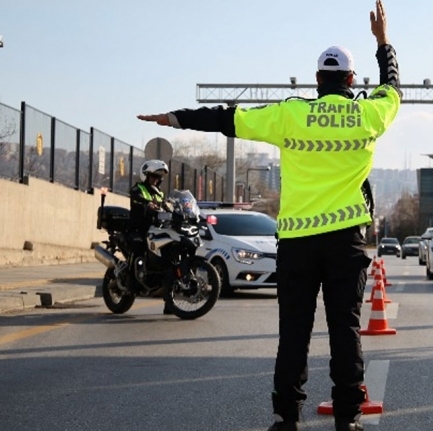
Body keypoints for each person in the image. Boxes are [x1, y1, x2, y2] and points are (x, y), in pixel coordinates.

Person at [137, 1, 399, 429]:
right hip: (346, 242)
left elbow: (227, 119)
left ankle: (285, 417)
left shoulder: (290, 114)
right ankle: (348, 417)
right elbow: (393, 86)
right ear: (352, 81)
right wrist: (383, 42)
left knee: (293, 334)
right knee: (344, 331)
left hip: (296, 244)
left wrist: (175, 118)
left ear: (317, 80)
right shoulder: (369, 113)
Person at [128, 159, 171, 313]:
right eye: (153, 176)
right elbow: (136, 196)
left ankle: (170, 303)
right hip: (139, 229)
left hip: (156, 231)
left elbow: (166, 206)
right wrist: (147, 203)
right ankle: (132, 282)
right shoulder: (138, 188)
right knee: (139, 248)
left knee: (168, 260)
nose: (156, 180)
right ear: (145, 175)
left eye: (158, 177)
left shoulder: (160, 193)